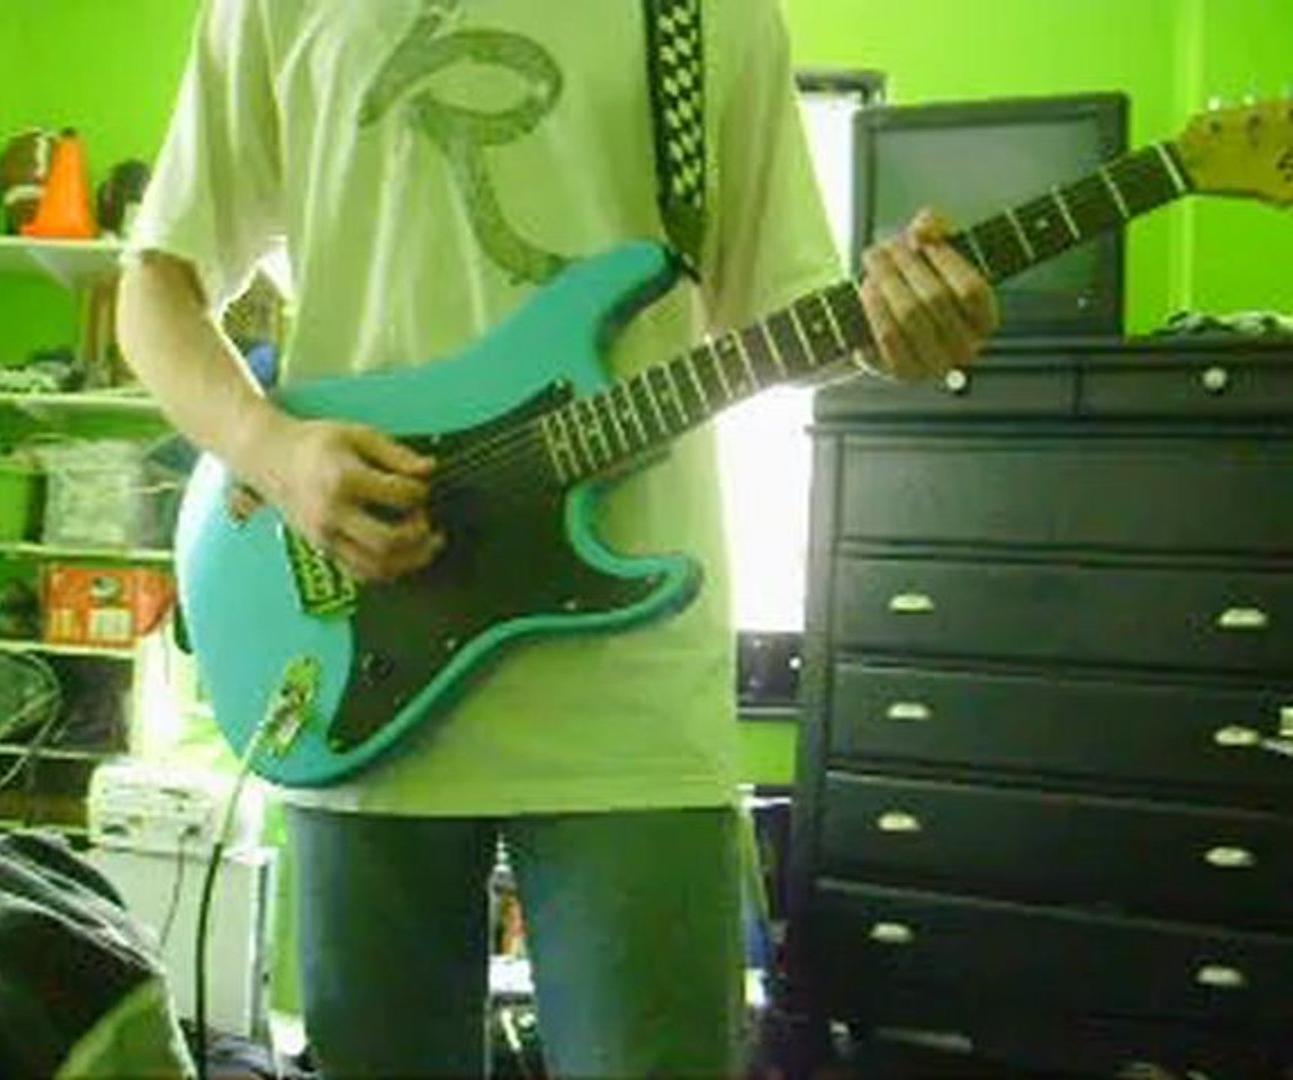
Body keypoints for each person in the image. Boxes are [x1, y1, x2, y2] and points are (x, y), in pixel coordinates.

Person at [116, 1, 997, 1076]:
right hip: (362, 651)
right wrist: (273, 450)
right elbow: (153, 287)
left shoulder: (712, 14)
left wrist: (892, 323)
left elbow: (782, 308)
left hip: (630, 696)